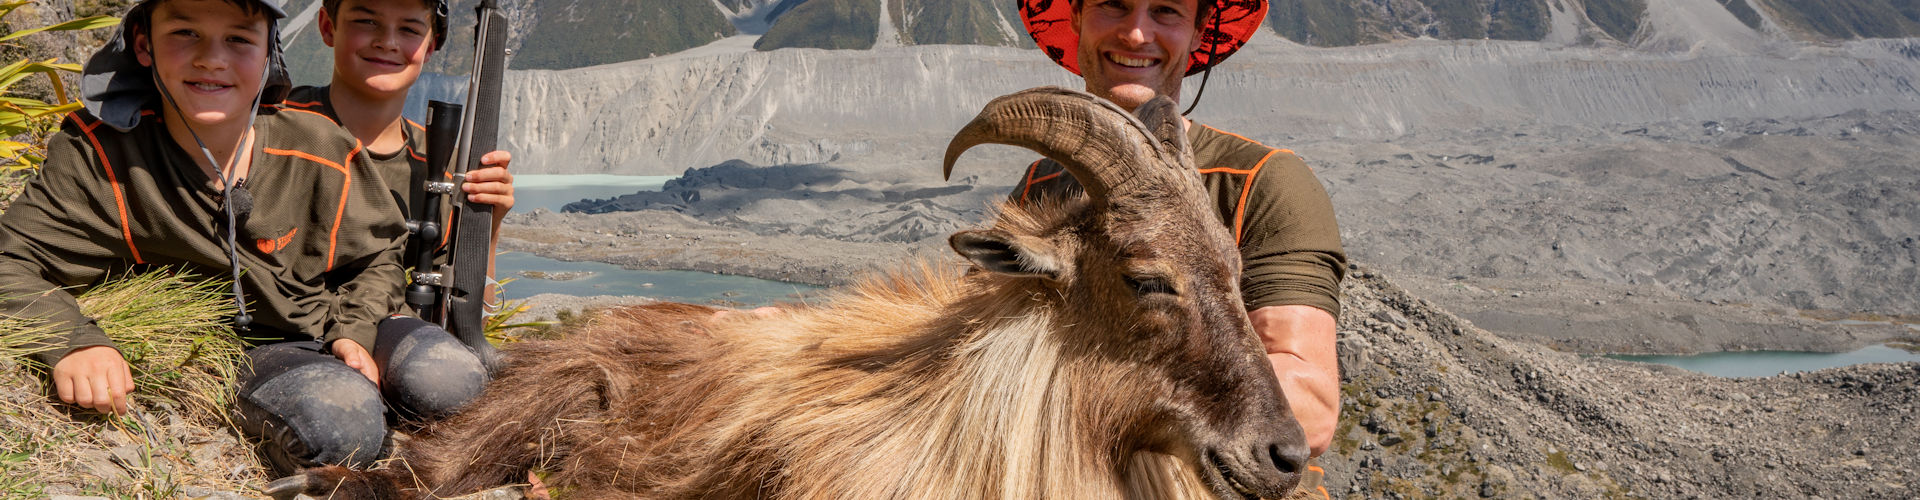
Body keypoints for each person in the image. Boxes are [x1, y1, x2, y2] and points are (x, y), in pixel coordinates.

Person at [0, 0, 481, 475]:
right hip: (246, 347)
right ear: (144, 45)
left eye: (238, 39)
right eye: (185, 33)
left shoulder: (321, 145)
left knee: (453, 382)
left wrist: (352, 332)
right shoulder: (100, 156)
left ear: (269, 51)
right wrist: (75, 342)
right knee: (340, 424)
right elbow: (11, 258)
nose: (212, 58)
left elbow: (379, 254)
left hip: (336, 320)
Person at [1012, 0, 1345, 493]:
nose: (1136, 33)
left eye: (1166, 10)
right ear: (1077, 19)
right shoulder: (1041, 185)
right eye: (1113, 5)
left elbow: (1312, 409)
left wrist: (1101, 397)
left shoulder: (1261, 183)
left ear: (1199, 30)